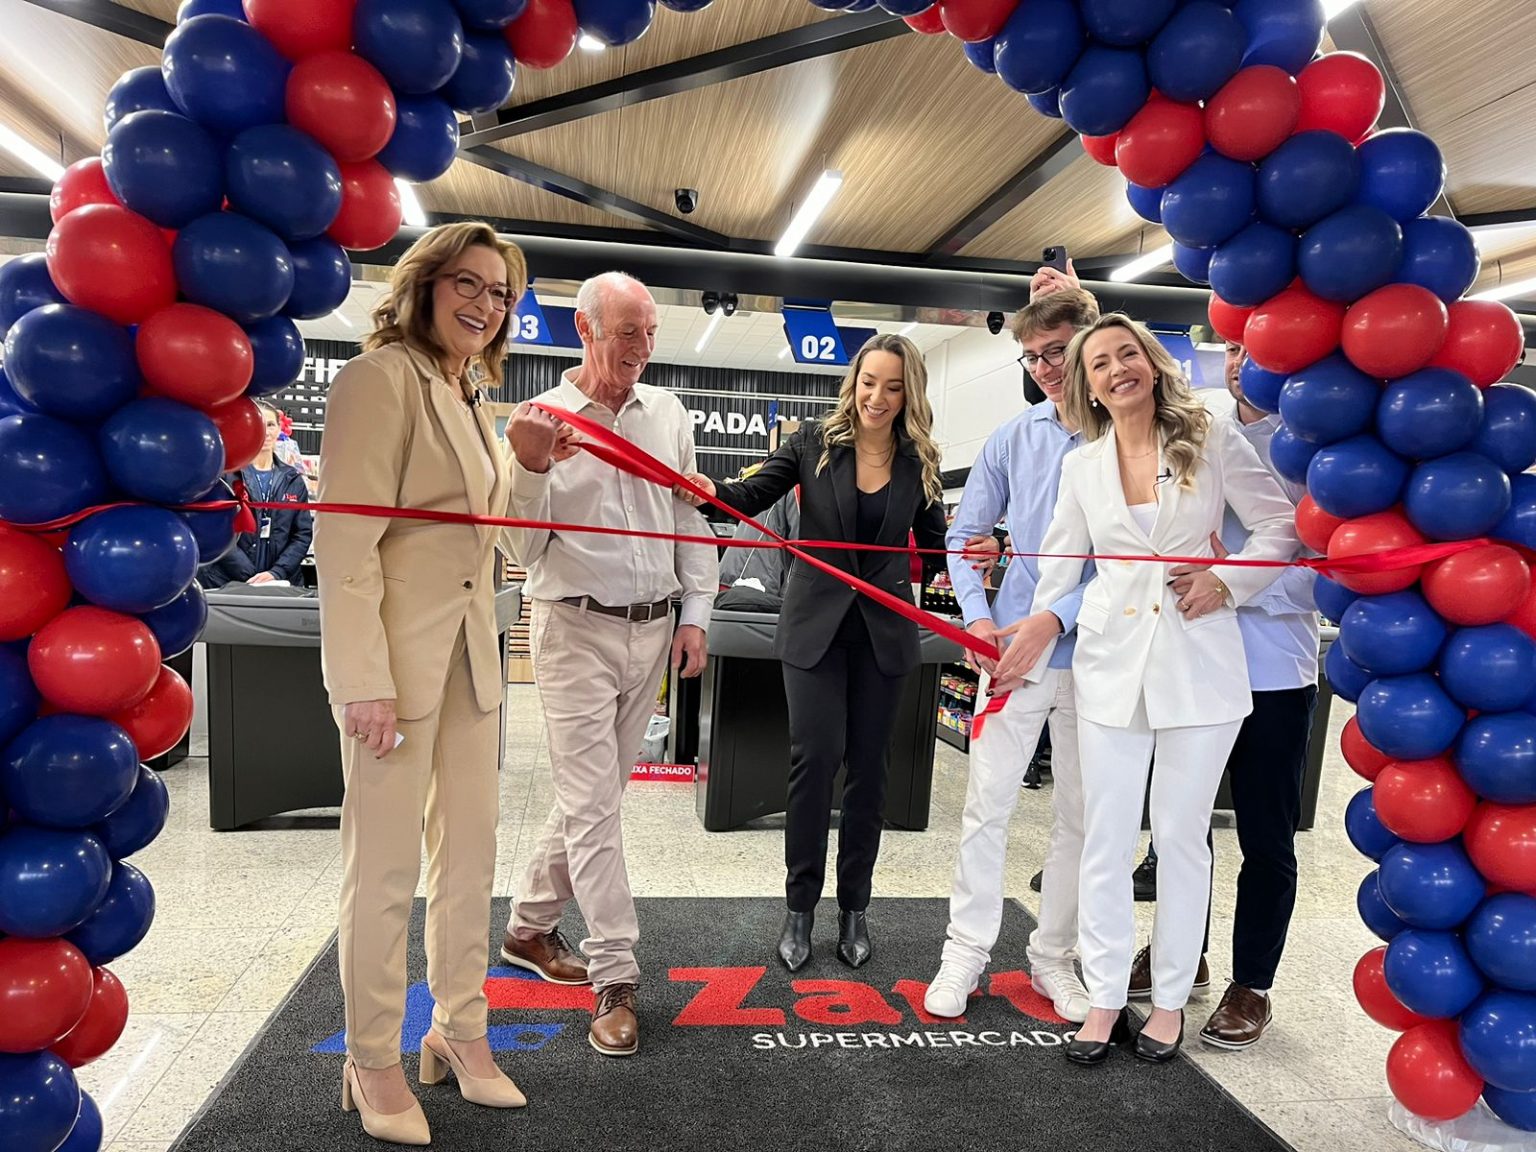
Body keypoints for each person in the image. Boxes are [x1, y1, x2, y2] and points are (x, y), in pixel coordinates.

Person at [992, 313, 1299, 1066]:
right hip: (1109, 668)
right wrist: (1032, 638)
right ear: (1088, 386)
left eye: (1127, 353)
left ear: (1152, 363)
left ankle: (1167, 1001)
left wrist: (1225, 581)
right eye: (1099, 363)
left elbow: (1281, 529)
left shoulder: (1209, 437)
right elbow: (1059, 568)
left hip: (1201, 665)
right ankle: (1103, 997)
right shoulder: (1082, 466)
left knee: (1182, 838)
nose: (1116, 369)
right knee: (1104, 839)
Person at [316, 221, 535, 1144]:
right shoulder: (379, 379)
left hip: (472, 665)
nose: (485, 305)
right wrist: (360, 678)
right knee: (385, 867)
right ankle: (372, 1057)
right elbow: (345, 543)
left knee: (470, 857)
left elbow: (496, 541)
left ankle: (459, 1028)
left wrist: (529, 465)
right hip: (395, 669)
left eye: (501, 293)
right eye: (469, 283)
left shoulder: (471, 395)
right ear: (426, 284)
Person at [680, 334, 948, 972]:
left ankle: (855, 907)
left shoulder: (920, 461)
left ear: (909, 393)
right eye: (869, 382)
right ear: (853, 382)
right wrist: (705, 489)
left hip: (883, 635)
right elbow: (749, 496)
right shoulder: (810, 443)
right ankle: (799, 907)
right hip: (813, 631)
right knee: (815, 759)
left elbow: (937, 548)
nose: (877, 397)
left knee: (870, 772)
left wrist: (975, 553)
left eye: (893, 387)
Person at [503, 271, 717, 1058]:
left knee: (592, 797)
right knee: (595, 808)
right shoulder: (539, 421)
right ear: (585, 330)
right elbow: (522, 550)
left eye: (650, 332)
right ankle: (615, 975)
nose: (642, 347)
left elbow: (689, 520)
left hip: (652, 630)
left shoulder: (668, 413)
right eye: (628, 332)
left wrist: (696, 614)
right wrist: (529, 469)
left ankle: (528, 927)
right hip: (573, 631)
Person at [1124, 341, 1320, 1050]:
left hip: (1273, 672)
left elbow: (1325, 573)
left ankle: (1253, 983)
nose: (1243, 361)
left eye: (1262, 348)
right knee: (1180, 827)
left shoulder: (1317, 452)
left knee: (1266, 835)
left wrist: (1230, 583)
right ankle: (1183, 952)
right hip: (1190, 663)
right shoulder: (1195, 428)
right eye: (1235, 346)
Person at [922, 287, 1102, 1025]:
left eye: (1056, 352)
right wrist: (980, 622)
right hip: (1011, 662)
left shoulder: (1125, 436)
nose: (1045, 369)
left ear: (1088, 342)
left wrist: (1055, 620)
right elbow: (963, 538)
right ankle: (964, 951)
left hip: (1098, 659)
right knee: (985, 807)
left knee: (1082, 818)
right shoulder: (1011, 438)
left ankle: (1054, 956)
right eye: (1031, 358)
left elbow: (1133, 563)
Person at [198, 401, 312, 589]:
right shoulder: (225, 475)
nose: (266, 431)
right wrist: (249, 575)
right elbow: (212, 529)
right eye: (260, 424)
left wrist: (277, 572)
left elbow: (302, 534)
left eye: (271, 425)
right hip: (227, 580)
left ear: (279, 429)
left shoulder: (293, 479)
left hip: (278, 583)